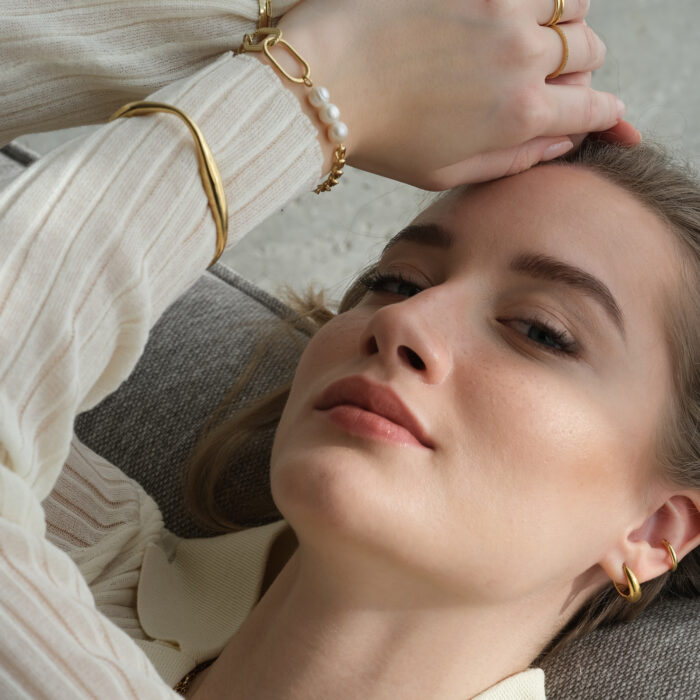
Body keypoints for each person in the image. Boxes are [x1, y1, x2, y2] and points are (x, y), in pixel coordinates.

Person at [0, 0, 680, 699]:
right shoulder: (81, 543)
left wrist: (313, 98)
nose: (405, 321)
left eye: (540, 330)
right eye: (396, 282)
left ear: (657, 528)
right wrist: (319, 28)